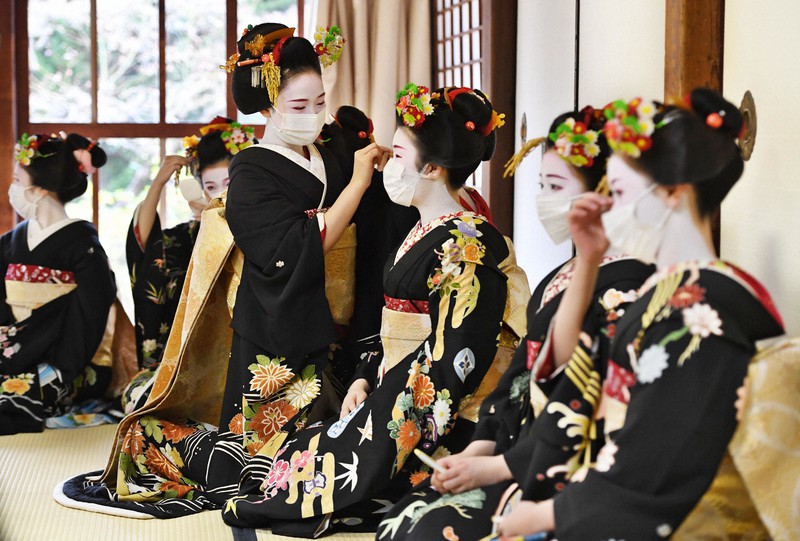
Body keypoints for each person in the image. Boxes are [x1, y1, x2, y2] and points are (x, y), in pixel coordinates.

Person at [58, 21, 385, 518]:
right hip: (277, 332)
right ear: (268, 105)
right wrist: (358, 185)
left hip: (336, 327)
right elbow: (294, 249)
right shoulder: (251, 170)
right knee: (266, 465)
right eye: (299, 106)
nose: (315, 115)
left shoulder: (325, 152)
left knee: (332, 452)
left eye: (320, 101)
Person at [218, 83, 524, 537]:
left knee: (327, 479)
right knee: (285, 457)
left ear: (434, 168)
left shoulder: (468, 246)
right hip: (398, 385)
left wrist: (382, 418)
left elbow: (455, 360)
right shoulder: (424, 229)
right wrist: (364, 377)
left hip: (446, 411)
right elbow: (389, 329)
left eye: (398, 155)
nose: (387, 164)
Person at [494, 90, 784, 540]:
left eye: (622, 192)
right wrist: (589, 257)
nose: (610, 207)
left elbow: (662, 457)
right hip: (603, 487)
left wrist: (549, 514)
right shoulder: (661, 290)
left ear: (671, 192)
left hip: (675, 517)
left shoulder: (704, 310)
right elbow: (573, 378)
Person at [378, 107, 654, 541]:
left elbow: (578, 399)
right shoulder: (562, 275)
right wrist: (482, 447)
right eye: (542, 185)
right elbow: (522, 376)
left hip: (562, 463)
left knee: (419, 527)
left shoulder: (628, 287)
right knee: (407, 515)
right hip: (513, 442)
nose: (544, 199)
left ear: (607, 192)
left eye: (557, 187)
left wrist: (499, 464)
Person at [123, 117, 255, 412]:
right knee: (140, 399)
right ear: (198, 189)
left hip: (243, 354)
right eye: (210, 185)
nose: (219, 192)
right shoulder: (185, 238)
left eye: (228, 183)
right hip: (189, 355)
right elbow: (144, 248)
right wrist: (158, 182)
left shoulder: (260, 229)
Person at [0, 133, 116, 434]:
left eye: (16, 180)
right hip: (10, 349)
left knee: (11, 403)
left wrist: (61, 369)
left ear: (37, 191)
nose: (12, 188)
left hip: (61, 364)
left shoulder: (84, 245)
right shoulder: (12, 240)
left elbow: (89, 318)